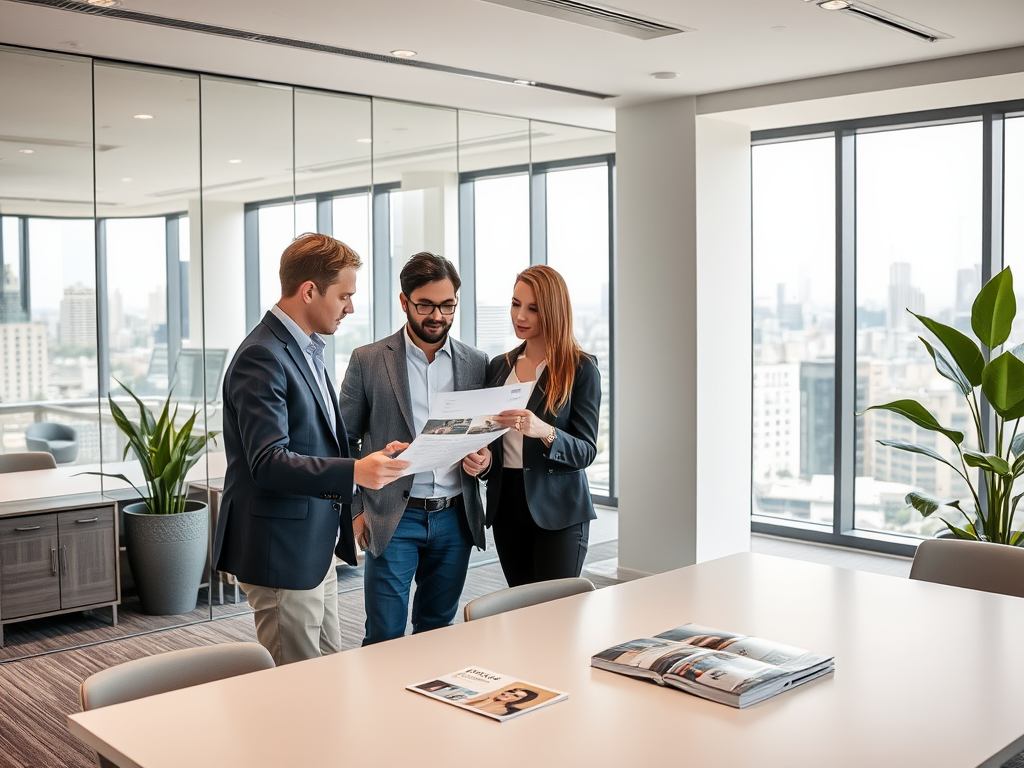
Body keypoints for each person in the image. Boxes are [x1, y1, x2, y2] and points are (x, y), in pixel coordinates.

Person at [214, 233, 410, 665]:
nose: (350, 307)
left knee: (326, 672)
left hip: (313, 542)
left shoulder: (306, 349)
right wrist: (355, 471)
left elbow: (321, 439)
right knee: (296, 686)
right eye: (344, 295)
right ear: (308, 291)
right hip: (282, 546)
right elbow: (267, 462)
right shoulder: (262, 356)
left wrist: (358, 480)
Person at [340, 251, 490, 645]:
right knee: (385, 635)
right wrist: (356, 510)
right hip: (393, 517)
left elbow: (483, 436)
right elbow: (343, 440)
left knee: (437, 632)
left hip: (455, 518)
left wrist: (483, 460)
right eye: (425, 305)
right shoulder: (368, 360)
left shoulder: (476, 363)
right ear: (405, 301)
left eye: (447, 305)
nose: (437, 316)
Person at [484, 265, 601, 587]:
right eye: (515, 304)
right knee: (520, 606)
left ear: (553, 311)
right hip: (506, 503)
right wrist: (483, 462)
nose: (520, 315)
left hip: (560, 508)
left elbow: (586, 451)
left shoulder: (581, 368)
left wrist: (545, 431)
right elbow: (493, 442)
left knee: (556, 613)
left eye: (533, 308)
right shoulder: (499, 367)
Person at [465, 687, 540, 716]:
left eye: (515, 696)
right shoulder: (487, 698)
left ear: (519, 701)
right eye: (510, 691)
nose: (508, 694)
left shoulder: (502, 710)